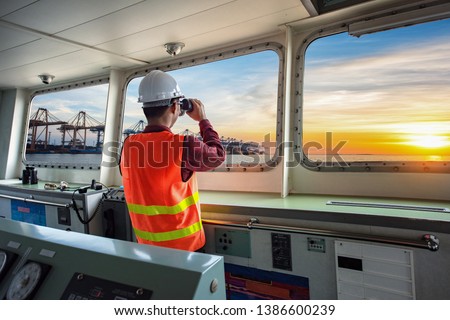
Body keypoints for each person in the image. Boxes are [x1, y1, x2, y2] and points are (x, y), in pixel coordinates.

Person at [120, 70, 225, 251]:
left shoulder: (128, 145)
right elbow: (218, 156)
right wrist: (203, 120)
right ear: (175, 107)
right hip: (186, 247)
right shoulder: (184, 144)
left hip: (147, 246)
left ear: (145, 109)